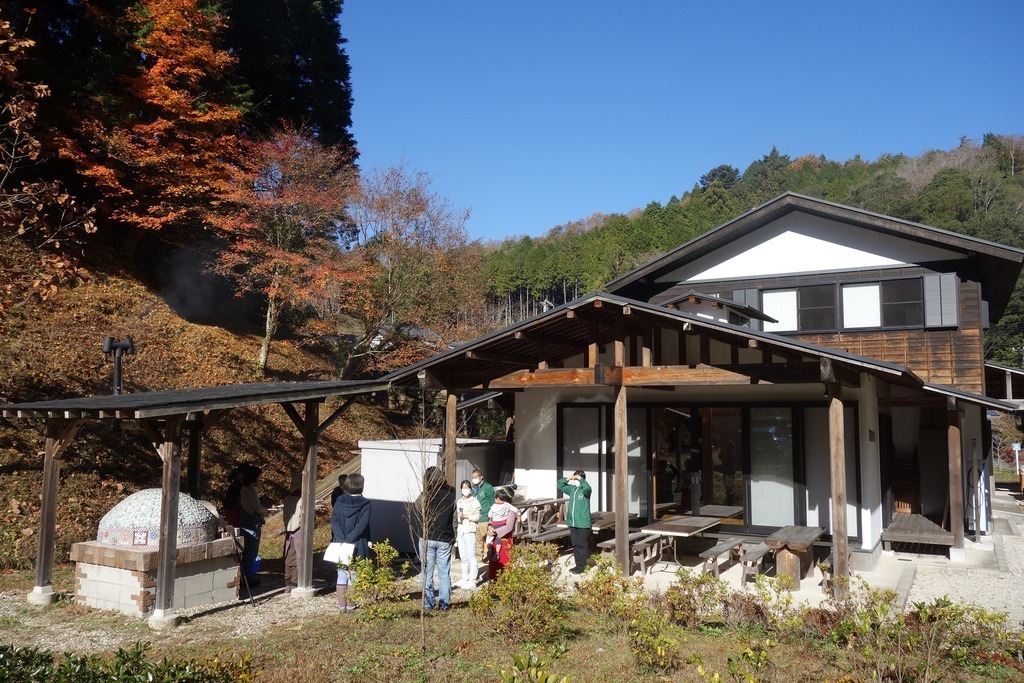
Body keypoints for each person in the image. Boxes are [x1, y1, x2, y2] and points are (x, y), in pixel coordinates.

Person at [412, 467, 457, 610]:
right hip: (444, 537)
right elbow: (454, 519)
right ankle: (444, 604)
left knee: (427, 572)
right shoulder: (451, 496)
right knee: (444, 573)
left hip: (427, 537)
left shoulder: (425, 495)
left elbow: (416, 507)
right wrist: (453, 536)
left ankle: (428, 603)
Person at [331, 473, 371, 612]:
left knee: (341, 573)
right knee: (353, 574)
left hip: (340, 542)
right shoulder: (365, 503)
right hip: (357, 543)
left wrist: (341, 538)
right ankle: (351, 605)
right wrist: (350, 539)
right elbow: (362, 525)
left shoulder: (339, 501)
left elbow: (334, 521)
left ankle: (342, 605)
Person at [557, 470, 592, 574]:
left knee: (582, 544)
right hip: (572, 523)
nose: (575, 481)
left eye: (577, 479)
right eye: (575, 479)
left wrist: (581, 480)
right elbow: (560, 485)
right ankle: (578, 565)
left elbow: (587, 488)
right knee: (575, 544)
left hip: (582, 523)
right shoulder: (572, 489)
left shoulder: (585, 491)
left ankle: (582, 566)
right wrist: (568, 478)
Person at [238, 464, 268, 587]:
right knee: (250, 552)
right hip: (251, 523)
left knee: (247, 551)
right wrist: (266, 508)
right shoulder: (251, 490)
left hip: (244, 522)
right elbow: (258, 508)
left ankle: (244, 577)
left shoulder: (243, 489)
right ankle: (247, 578)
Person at [486, 488, 519, 580]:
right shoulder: (496, 508)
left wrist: (496, 532)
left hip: (504, 540)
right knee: (494, 565)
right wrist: (489, 526)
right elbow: (491, 519)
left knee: (504, 565)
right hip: (495, 537)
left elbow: (509, 527)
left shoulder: (510, 510)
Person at [455, 479, 482, 589]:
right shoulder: (459, 502)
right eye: (463, 488)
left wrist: (466, 516)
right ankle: (465, 577)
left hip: (470, 531)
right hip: (461, 531)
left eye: (467, 487)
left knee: (471, 556)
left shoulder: (474, 501)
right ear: (461, 489)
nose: (465, 490)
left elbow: (477, 516)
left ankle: (472, 580)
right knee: (463, 557)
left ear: (470, 489)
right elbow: (457, 518)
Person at [281, 472, 302, 593]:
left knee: (289, 556)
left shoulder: (287, 499)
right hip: (298, 531)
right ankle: (294, 582)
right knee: (298, 557)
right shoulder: (301, 500)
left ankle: (288, 582)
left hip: (289, 531)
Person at [471, 468, 495, 573]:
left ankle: (491, 557)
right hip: (475, 519)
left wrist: (492, 518)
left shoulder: (487, 487)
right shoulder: (472, 488)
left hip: (485, 517)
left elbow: (492, 502)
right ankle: (479, 559)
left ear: (481, 477)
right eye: (473, 477)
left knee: (488, 539)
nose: (474, 479)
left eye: (476, 477)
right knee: (478, 540)